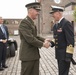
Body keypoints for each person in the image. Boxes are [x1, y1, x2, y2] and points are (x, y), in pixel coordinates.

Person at [19, 2, 50, 75]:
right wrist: (43, 44)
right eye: (37, 11)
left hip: (34, 55)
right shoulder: (24, 22)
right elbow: (30, 39)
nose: (38, 13)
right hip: (28, 56)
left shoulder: (31, 22)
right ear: (30, 11)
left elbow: (35, 36)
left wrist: (44, 39)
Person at [50, 6, 76, 75]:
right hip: (59, 55)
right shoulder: (56, 25)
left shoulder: (66, 23)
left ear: (58, 13)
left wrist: (68, 55)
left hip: (65, 55)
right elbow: (56, 38)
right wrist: (51, 43)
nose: (52, 15)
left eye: (53, 13)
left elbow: (70, 41)